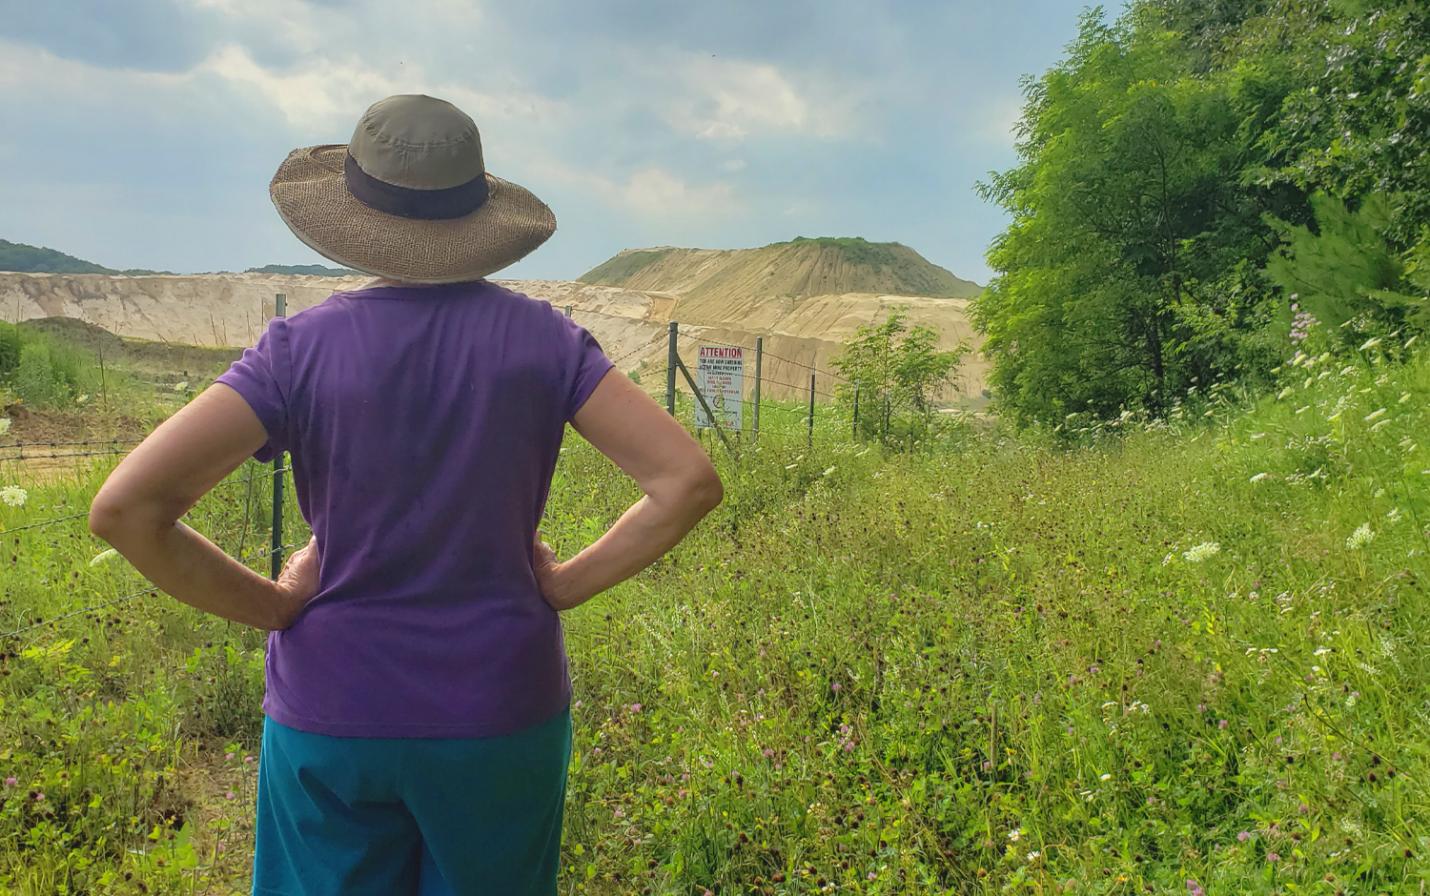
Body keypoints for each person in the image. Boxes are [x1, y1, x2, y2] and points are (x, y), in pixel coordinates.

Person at [89, 94, 722, 896]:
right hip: (500, 709)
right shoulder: (546, 341)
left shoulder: (296, 351)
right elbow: (688, 482)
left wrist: (275, 605)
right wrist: (563, 584)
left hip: (331, 710)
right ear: (477, 215)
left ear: (355, 216)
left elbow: (125, 510)